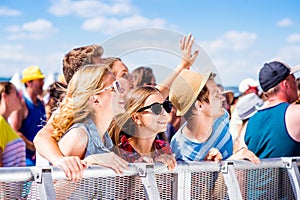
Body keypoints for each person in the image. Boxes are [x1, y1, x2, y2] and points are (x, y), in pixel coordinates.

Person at [169, 69, 260, 163]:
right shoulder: (180, 150)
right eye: (216, 95)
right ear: (199, 105)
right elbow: (208, 178)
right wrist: (231, 161)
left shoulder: (222, 117)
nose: (222, 98)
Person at [52, 64, 128, 174]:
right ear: (95, 99)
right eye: (114, 87)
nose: (122, 92)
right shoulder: (79, 136)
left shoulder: (104, 138)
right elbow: (48, 188)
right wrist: (90, 163)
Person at [109, 86, 176, 170]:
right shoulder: (119, 152)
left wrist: (159, 168)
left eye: (166, 106)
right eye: (156, 108)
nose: (164, 113)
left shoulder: (163, 148)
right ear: (136, 118)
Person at [245, 61, 300, 158]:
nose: (296, 85)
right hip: (289, 173)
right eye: (293, 80)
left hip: (259, 173)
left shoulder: (251, 122)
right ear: (286, 84)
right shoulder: (295, 114)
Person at [9, 65, 46, 166]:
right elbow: (14, 131)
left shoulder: (40, 103)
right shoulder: (21, 104)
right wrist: (34, 147)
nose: (43, 83)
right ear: (28, 83)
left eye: (42, 80)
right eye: (39, 80)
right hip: (26, 159)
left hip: (40, 157)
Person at [0, 82, 26, 167]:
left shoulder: (5, 123)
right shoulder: (0, 122)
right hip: (10, 180)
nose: (20, 97)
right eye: (17, 93)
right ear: (5, 97)